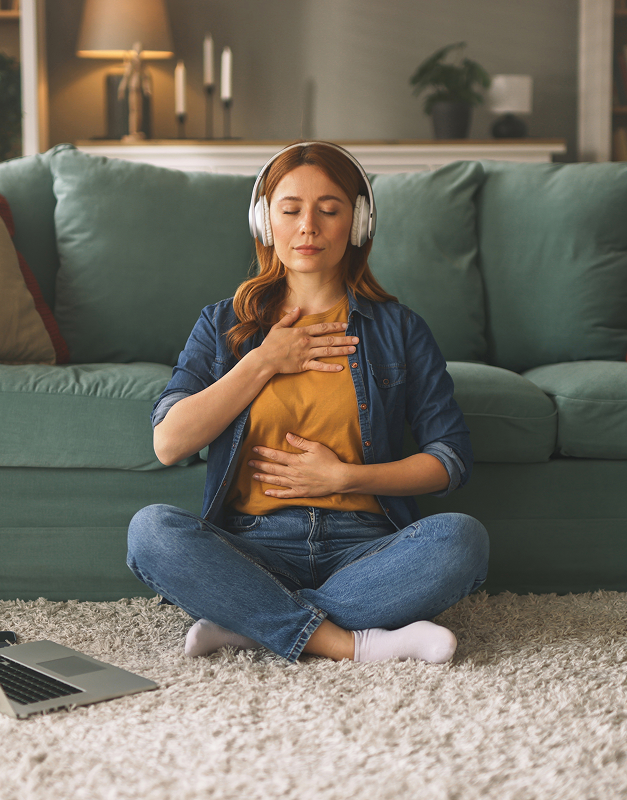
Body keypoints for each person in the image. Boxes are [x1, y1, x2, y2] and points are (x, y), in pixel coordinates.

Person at [127, 141, 488, 664]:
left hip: (366, 548)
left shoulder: (400, 329)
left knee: (463, 539)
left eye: (330, 209)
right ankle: (349, 642)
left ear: (358, 222)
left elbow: (450, 460)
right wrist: (263, 361)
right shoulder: (221, 324)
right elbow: (168, 442)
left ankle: (252, 622)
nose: (309, 227)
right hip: (255, 545)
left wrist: (346, 479)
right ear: (266, 222)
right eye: (291, 210)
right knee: (151, 531)